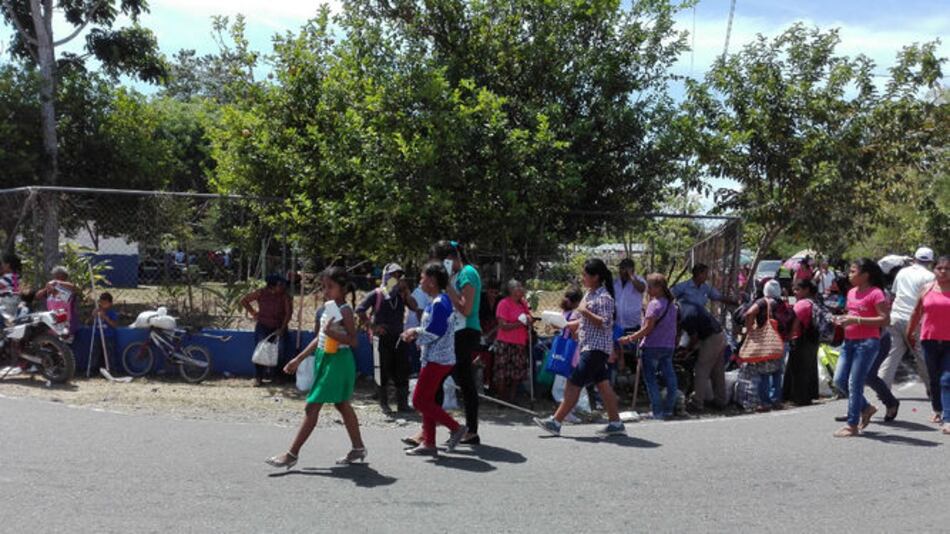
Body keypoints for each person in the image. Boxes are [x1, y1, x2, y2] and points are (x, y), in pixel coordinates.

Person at [265, 267, 366, 468]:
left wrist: (332, 333)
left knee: (312, 406)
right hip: (325, 358)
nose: (325, 291)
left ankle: (292, 454)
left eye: (330, 287)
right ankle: (358, 448)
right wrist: (298, 359)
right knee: (341, 404)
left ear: (342, 288)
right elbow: (319, 338)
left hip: (338, 361)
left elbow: (353, 341)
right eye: (323, 286)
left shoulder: (345, 310)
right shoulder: (328, 307)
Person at [534, 259, 625, 436]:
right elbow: (582, 321)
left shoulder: (604, 298)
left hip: (595, 348)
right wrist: (564, 325)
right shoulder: (589, 294)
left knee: (573, 382)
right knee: (603, 386)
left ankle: (556, 422)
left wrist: (585, 311)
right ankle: (616, 423)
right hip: (589, 347)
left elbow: (606, 323)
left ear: (595, 277)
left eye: (585, 274)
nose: (582, 278)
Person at [400, 262, 467, 456]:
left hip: (438, 359)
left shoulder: (440, 302)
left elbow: (436, 330)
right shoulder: (438, 301)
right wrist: (418, 335)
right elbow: (433, 329)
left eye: (422, 278)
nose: (420, 282)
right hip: (434, 357)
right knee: (427, 400)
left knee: (419, 401)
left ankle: (455, 427)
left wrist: (414, 332)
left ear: (431, 280)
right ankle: (429, 443)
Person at [832, 259, 890, 438]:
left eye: (853, 271)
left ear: (865, 275)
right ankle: (866, 407)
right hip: (849, 342)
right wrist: (842, 320)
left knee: (854, 383)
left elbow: (885, 320)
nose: (849, 275)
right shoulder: (851, 292)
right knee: (839, 380)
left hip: (867, 344)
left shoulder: (876, 293)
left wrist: (856, 320)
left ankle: (852, 425)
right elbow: (852, 314)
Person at [432, 240, 482, 445]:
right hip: (454, 331)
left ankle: (466, 429)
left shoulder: (468, 273)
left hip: (466, 331)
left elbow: (466, 308)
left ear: (450, 259)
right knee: (457, 380)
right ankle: (435, 428)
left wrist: (447, 286)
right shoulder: (454, 275)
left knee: (442, 378)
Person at [356, 263, 417, 412]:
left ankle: (402, 404)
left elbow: (414, 307)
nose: (396, 279)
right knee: (382, 370)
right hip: (381, 338)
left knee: (402, 369)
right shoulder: (377, 294)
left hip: (399, 337)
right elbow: (360, 309)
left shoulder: (400, 295)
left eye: (398, 276)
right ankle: (384, 403)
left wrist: (407, 293)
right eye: (393, 276)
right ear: (386, 277)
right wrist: (373, 326)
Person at [620, 274, 680, 420]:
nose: (648, 290)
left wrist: (630, 338)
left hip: (652, 346)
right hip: (668, 346)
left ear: (659, 288)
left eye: (650, 287)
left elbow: (647, 329)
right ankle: (668, 409)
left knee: (651, 380)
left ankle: (657, 411)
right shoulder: (672, 306)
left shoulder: (654, 305)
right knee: (670, 378)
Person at [879, 247, 935, 394]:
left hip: (896, 317)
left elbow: (894, 294)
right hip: (914, 320)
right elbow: (929, 301)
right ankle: (933, 388)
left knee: (891, 355)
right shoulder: (930, 277)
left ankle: (882, 388)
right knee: (921, 356)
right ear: (930, 261)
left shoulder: (902, 272)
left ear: (915, 258)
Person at [907, 255, 950, 433]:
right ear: (934, 269)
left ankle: (948, 418)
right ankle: (937, 409)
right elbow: (916, 313)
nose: (943, 271)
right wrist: (909, 333)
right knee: (933, 378)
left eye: (947, 268)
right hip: (929, 340)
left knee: (946, 379)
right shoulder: (926, 289)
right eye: (940, 268)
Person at [743, 280, 793, 412]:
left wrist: (750, 331)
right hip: (781, 342)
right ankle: (776, 400)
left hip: (767, 342)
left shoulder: (763, 302)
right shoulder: (782, 303)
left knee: (764, 372)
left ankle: (765, 402)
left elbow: (749, 313)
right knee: (777, 372)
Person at [241, 274, 293, 387]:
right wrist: (253, 313)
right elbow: (244, 300)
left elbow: (288, 313)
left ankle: (277, 376)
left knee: (280, 351)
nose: (283, 286)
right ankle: (258, 377)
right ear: (272, 286)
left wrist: (282, 328)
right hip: (263, 325)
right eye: (280, 284)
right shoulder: (261, 293)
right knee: (261, 350)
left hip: (279, 326)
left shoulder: (284, 296)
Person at [678, 302, 727, 411]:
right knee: (717, 371)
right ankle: (720, 401)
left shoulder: (685, 317)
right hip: (720, 334)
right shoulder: (688, 306)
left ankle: (697, 402)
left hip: (710, 338)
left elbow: (694, 338)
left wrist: (687, 350)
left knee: (701, 369)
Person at [493, 280, 532, 404]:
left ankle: (512, 398)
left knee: (516, 372)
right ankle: (502, 398)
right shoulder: (504, 303)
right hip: (505, 342)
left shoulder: (523, 304)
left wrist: (529, 320)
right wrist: (520, 323)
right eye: (518, 287)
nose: (521, 289)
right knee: (502, 371)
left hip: (519, 342)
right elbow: (503, 325)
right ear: (511, 290)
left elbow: (528, 318)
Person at [783, 280, 820, 406]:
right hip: (812, 340)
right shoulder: (814, 302)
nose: (794, 292)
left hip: (801, 339)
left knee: (797, 370)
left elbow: (795, 323)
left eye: (797, 289)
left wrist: (789, 337)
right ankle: (808, 396)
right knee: (809, 368)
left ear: (806, 290)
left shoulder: (801, 304)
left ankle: (798, 398)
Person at [613, 258, 646, 371]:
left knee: (633, 354)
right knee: (617, 351)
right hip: (618, 323)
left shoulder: (639, 280)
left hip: (633, 325)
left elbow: (642, 289)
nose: (621, 270)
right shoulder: (615, 282)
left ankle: (634, 374)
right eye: (620, 268)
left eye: (624, 268)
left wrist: (631, 276)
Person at [35, 266, 79, 335]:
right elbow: (38, 295)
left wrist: (58, 283)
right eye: (56, 276)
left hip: (68, 324)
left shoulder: (68, 288)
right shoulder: (51, 290)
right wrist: (46, 289)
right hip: (54, 323)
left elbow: (73, 288)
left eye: (59, 276)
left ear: (65, 277)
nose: (57, 278)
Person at [672, 263, 738, 308]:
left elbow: (718, 297)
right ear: (699, 274)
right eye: (705, 274)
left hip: (700, 318)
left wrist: (735, 303)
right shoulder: (682, 287)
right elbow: (669, 296)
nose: (707, 276)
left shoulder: (706, 288)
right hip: (685, 319)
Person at [89, 292, 119, 372]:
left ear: (110, 303)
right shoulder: (97, 311)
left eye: (105, 303)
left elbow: (114, 325)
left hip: (108, 336)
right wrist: (93, 315)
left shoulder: (112, 313)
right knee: (95, 352)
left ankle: (111, 369)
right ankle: (93, 369)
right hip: (97, 335)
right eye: (101, 303)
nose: (102, 305)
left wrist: (105, 317)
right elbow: (90, 322)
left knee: (109, 353)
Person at [0, 253, 22, 320]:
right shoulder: (15, 276)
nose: (2, 266)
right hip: (14, 302)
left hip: (6, 303)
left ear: (8, 265)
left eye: (3, 264)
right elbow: (15, 290)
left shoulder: (8, 277)